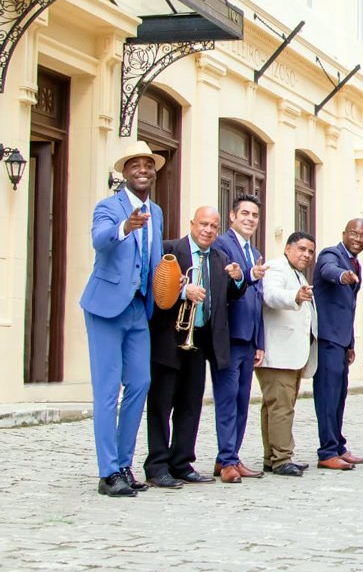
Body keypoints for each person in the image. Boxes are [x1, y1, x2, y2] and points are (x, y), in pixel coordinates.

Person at [80, 141, 165, 497]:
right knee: (107, 390)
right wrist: (126, 227)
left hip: (138, 308)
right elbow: (100, 240)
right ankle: (107, 472)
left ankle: (124, 465)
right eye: (135, 165)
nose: (143, 169)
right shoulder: (108, 207)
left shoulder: (156, 211)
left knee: (140, 383)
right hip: (105, 307)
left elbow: (154, 258)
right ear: (125, 172)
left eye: (148, 164)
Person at [144, 206, 245, 487]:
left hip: (199, 339)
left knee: (190, 405)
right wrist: (182, 290)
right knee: (161, 404)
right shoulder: (170, 249)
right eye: (203, 224)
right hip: (169, 338)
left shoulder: (220, 257)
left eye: (213, 226)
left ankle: (181, 462)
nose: (208, 230)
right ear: (192, 224)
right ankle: (157, 466)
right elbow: (156, 287)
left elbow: (229, 295)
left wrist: (239, 278)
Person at [210, 194, 267, 481]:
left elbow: (258, 299)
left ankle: (229, 457)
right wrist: (249, 274)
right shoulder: (221, 244)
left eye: (254, 215)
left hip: (248, 338)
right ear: (232, 216)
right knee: (227, 399)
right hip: (229, 335)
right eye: (244, 213)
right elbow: (224, 284)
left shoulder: (254, 252)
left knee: (243, 401)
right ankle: (228, 460)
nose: (250, 219)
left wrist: (260, 341)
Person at [312, 219, 363, 470]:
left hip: (341, 340)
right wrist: (342, 275)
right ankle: (327, 452)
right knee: (327, 396)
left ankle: (338, 446)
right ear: (344, 234)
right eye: (354, 234)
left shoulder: (355, 261)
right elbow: (328, 270)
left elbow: (348, 307)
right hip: (327, 339)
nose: (359, 239)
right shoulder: (331, 254)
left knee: (339, 396)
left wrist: (350, 343)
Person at [258, 231, 319, 477]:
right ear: (287, 248)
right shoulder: (276, 268)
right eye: (302, 249)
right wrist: (294, 296)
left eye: (310, 251)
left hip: (292, 354)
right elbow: (271, 295)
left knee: (275, 407)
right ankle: (282, 458)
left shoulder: (297, 273)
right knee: (281, 407)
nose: (306, 255)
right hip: (278, 353)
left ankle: (271, 457)